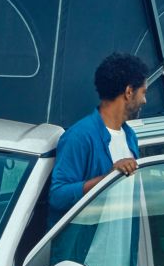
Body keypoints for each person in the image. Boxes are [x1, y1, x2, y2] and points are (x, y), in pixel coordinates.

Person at [48, 52, 148, 227]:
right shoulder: (79, 137)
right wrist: (108, 178)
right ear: (129, 91)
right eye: (143, 93)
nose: (145, 100)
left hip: (123, 249)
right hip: (85, 252)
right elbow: (58, 196)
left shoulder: (130, 136)